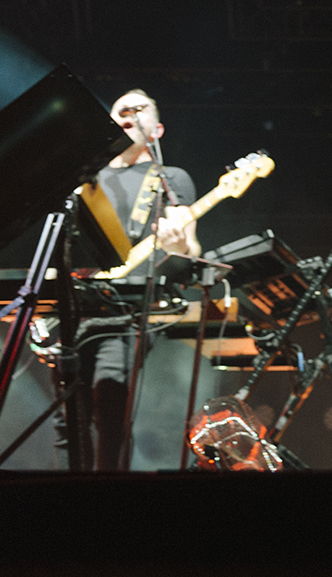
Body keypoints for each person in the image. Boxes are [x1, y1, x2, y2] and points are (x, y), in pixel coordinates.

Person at [57, 88, 199, 470]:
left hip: (126, 311)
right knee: (70, 411)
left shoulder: (169, 178)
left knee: (110, 398)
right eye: (121, 109)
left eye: (140, 109)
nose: (129, 113)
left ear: (158, 129)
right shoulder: (87, 178)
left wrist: (180, 241)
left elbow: (191, 252)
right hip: (77, 303)